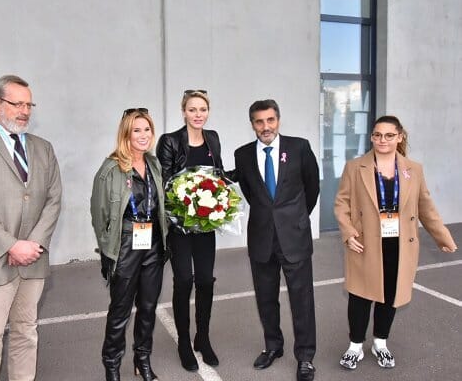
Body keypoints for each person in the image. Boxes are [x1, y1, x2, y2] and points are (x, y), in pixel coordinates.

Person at [334, 115, 457, 370]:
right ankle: (355, 346)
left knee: (389, 295)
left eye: (389, 135)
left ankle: (380, 342)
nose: (382, 140)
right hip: (365, 242)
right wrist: (348, 233)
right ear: (371, 137)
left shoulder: (414, 169)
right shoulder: (355, 167)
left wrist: (442, 236)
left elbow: (426, 207)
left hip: (400, 244)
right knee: (360, 295)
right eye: (377, 135)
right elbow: (341, 203)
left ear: (399, 136)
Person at [0, 75, 62, 381]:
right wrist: (11, 245)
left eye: (28, 104)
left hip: (34, 259)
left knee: (25, 333)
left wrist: (33, 244)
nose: (24, 111)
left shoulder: (44, 148)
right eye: (17, 103)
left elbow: (54, 200)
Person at [234, 99, 319, 381]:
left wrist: (292, 218)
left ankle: (305, 357)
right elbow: (250, 192)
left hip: (294, 236)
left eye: (270, 120)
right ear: (252, 125)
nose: (265, 126)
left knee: (302, 300)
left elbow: (312, 186)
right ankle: (273, 346)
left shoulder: (299, 147)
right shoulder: (242, 154)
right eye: (259, 121)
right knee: (266, 299)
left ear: (278, 120)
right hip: (261, 238)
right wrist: (270, 217)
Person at [91, 108, 167, 381]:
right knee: (120, 311)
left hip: (153, 244)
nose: (143, 135)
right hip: (125, 245)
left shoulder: (154, 164)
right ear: (126, 133)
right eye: (137, 130)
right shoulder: (110, 169)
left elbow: (159, 203)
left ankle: (142, 360)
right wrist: (109, 252)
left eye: (147, 129)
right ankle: (111, 367)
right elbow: (98, 215)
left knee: (148, 308)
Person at [155, 90, 228, 371]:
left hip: (205, 226)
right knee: (184, 280)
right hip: (180, 227)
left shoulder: (214, 138)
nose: (198, 114)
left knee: (206, 281)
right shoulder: (170, 141)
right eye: (193, 109)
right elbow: (166, 184)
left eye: (203, 109)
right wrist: (188, 205)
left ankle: (203, 337)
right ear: (183, 112)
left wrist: (227, 187)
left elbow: (218, 175)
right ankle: (184, 342)